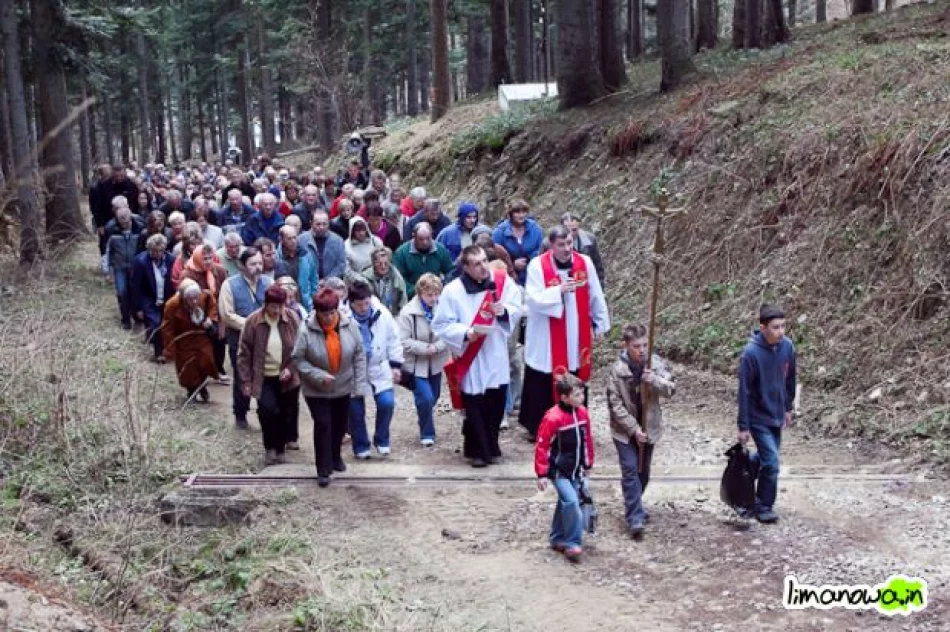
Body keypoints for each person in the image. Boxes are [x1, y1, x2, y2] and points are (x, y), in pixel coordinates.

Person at [432, 245, 521, 467]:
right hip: (471, 354)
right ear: (466, 267)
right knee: (475, 403)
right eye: (477, 264)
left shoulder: (500, 282)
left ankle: (491, 445)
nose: (483, 267)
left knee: (495, 401)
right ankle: (478, 451)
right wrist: (465, 333)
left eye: (484, 261)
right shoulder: (453, 291)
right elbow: (441, 324)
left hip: (496, 350)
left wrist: (505, 311)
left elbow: (516, 305)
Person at [519, 226, 610, 441]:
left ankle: (574, 421)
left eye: (569, 243)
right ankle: (538, 426)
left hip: (575, 333)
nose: (567, 249)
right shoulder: (537, 266)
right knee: (543, 377)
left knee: (574, 372)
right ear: (552, 246)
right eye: (561, 245)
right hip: (546, 335)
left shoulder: (584, 263)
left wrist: (600, 323)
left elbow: (595, 293)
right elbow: (532, 299)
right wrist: (557, 291)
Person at [293, 287, 367, 487]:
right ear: (316, 312)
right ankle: (323, 469)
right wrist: (317, 375)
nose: (327, 317)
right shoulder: (306, 330)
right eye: (323, 313)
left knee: (340, 424)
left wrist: (359, 385)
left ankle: (335, 456)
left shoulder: (349, 325)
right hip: (316, 388)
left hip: (342, 384)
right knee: (323, 424)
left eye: (331, 312)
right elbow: (298, 360)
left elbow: (359, 354)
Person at [606, 323, 675, 539]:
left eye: (645, 345)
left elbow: (671, 388)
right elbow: (615, 405)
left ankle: (634, 502)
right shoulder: (617, 371)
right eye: (636, 346)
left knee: (643, 473)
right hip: (624, 431)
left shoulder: (655, 364)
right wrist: (634, 429)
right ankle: (634, 517)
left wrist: (653, 380)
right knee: (630, 469)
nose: (642, 350)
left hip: (650, 427)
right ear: (626, 346)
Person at [737, 304, 797, 524]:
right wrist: (743, 426)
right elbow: (743, 391)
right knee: (772, 463)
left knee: (765, 459)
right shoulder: (750, 354)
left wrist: (788, 408)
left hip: (777, 413)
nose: (781, 331)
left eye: (783, 326)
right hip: (758, 416)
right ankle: (763, 505)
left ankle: (750, 470)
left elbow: (790, 379)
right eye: (775, 327)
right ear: (763, 328)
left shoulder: (787, 347)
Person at [238, 286, 302, 466]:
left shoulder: (292, 319)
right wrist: (246, 380)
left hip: (286, 376)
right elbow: (244, 353)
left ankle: (280, 448)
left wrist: (290, 368)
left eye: (281, 307)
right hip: (263, 376)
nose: (277, 311)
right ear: (266, 305)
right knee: (267, 411)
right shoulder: (253, 321)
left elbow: (300, 349)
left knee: (285, 413)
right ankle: (269, 447)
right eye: (273, 307)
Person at [534, 373, 595, 563]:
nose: (581, 398)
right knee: (571, 503)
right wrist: (542, 473)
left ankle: (557, 537)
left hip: (576, 470)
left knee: (564, 503)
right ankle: (573, 542)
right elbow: (542, 445)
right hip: (559, 471)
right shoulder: (553, 418)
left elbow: (587, 441)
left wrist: (588, 463)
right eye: (577, 395)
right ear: (564, 397)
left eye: (582, 394)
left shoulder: (583, 413)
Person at [218, 248, 274, 428]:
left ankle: (264, 414)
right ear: (242, 266)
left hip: (265, 340)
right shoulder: (229, 285)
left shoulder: (269, 282)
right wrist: (251, 325)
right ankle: (240, 414)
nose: (258, 267)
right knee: (243, 377)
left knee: (264, 376)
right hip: (239, 340)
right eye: (253, 264)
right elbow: (227, 315)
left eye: (259, 263)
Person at [348, 281, 404, 458]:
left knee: (386, 402)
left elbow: (393, 339)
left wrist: (396, 365)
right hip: (353, 369)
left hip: (378, 365)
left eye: (366, 303)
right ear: (351, 303)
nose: (364, 308)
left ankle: (381, 439)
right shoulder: (343, 318)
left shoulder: (382, 314)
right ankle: (361, 445)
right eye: (359, 305)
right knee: (355, 410)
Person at [398, 273, 450, 446]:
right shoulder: (408, 313)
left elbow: (448, 332)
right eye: (430, 295)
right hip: (416, 364)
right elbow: (403, 340)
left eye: (436, 294)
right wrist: (425, 348)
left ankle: (423, 413)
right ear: (420, 293)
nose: (433, 298)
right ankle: (427, 433)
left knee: (433, 397)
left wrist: (438, 347)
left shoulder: (443, 308)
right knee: (426, 397)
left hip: (436, 362)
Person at [161, 279, 219, 402]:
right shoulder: (172, 305)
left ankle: (202, 385)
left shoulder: (205, 296)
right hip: (184, 340)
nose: (194, 301)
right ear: (183, 298)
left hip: (201, 336)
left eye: (196, 298)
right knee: (188, 367)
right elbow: (167, 327)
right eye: (190, 299)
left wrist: (210, 319)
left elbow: (213, 307)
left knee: (206, 361)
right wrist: (169, 348)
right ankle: (191, 391)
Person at [182, 244, 231, 382]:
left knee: (220, 341)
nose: (208, 261)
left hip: (216, 311)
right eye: (205, 258)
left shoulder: (220, 271)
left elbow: (225, 295)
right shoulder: (188, 274)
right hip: (196, 313)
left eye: (210, 258)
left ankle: (218, 369)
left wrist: (221, 319)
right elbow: (185, 300)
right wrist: (201, 318)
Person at [131, 234, 176, 362]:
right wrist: (137, 308)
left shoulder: (171, 260)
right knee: (156, 323)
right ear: (149, 249)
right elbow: (136, 287)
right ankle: (158, 353)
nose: (158, 254)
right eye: (155, 251)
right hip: (149, 298)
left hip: (166, 297)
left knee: (165, 324)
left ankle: (167, 348)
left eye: (161, 251)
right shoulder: (140, 261)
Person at [103, 207, 144, 330]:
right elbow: (108, 252)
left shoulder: (139, 229)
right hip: (119, 266)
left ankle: (135, 314)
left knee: (134, 291)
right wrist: (108, 271)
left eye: (127, 221)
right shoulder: (112, 231)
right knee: (122, 292)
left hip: (134, 266)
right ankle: (125, 319)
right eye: (122, 221)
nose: (125, 224)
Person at [392, 222, 454, 299]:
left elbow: (450, 272)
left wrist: (441, 287)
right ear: (414, 237)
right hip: (411, 296)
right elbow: (398, 278)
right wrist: (417, 291)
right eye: (421, 239)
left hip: (435, 294)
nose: (425, 242)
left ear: (432, 236)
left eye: (428, 238)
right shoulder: (402, 253)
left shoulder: (440, 250)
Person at [492, 198, 544, 286]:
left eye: (524, 212)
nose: (521, 215)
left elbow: (541, 250)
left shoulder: (535, 229)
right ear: (511, 214)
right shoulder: (499, 232)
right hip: (509, 279)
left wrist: (529, 260)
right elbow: (494, 257)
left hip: (533, 274)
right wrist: (512, 265)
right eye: (517, 212)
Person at [276, 225, 318, 312]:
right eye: (289, 239)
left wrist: (314, 297)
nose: (293, 241)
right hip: (284, 303)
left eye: (295, 238)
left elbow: (313, 278)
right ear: (281, 240)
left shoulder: (306, 254)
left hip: (305, 301)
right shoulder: (276, 258)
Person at [297, 210, 347, 281]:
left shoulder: (338, 241)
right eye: (318, 224)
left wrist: (326, 280)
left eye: (324, 224)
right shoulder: (301, 240)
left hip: (332, 283)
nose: (321, 227)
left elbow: (341, 265)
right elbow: (298, 263)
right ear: (311, 223)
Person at [560, 212, 606, 283]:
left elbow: (597, 264)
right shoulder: (555, 244)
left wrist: (600, 284)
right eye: (567, 228)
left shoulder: (590, 239)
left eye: (574, 229)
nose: (571, 232)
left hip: (588, 282)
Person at [364, 246, 407, 316]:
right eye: (379, 263)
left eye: (386, 263)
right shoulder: (365, 279)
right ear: (373, 264)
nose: (383, 267)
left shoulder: (397, 277)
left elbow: (403, 302)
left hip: (395, 316)